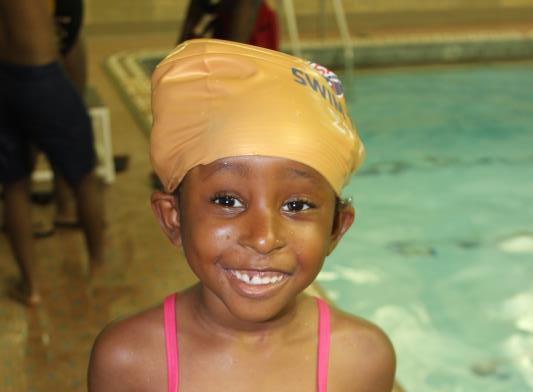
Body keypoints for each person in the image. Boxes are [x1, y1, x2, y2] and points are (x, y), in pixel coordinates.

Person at [88, 39, 395, 391]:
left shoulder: (361, 360)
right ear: (173, 218)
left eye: (296, 206)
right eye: (227, 201)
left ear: (336, 229)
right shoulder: (130, 360)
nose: (263, 238)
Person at [0, 0, 105, 305]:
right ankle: (98, 267)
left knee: (14, 186)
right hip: (39, 74)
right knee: (85, 175)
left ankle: (30, 286)